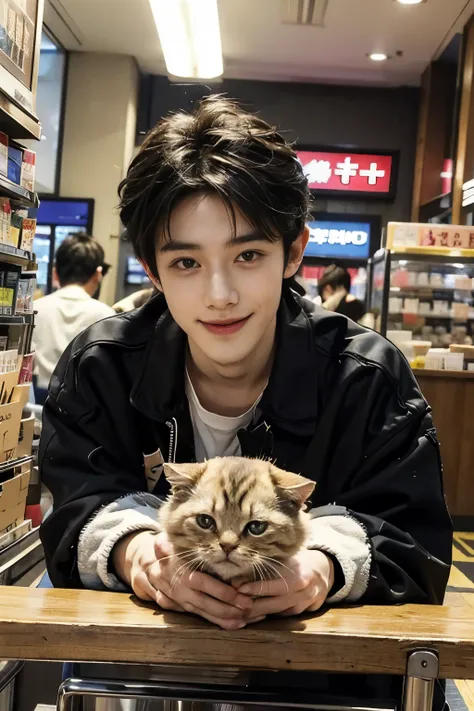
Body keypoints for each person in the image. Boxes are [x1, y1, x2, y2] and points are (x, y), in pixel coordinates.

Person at [39, 97, 451, 704]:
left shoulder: (369, 378)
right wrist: (135, 555)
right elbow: (72, 508)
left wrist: (322, 570)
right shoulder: (100, 365)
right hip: (146, 681)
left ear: (296, 251)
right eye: (185, 261)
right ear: (151, 270)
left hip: (319, 688)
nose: (221, 293)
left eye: (249, 255)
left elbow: (414, 544)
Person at [32, 232, 115, 400]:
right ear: (98, 274)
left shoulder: (34, 309)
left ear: (55, 273)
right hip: (85, 413)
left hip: (37, 407)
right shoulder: (106, 316)